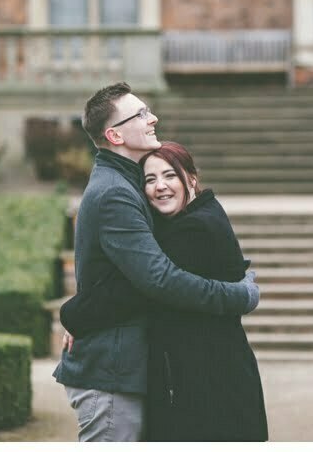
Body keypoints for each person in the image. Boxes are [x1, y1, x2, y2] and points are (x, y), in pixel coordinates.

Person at [52, 82, 259, 442]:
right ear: (114, 134)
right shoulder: (116, 191)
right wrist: (240, 296)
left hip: (124, 367)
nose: (153, 118)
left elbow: (132, 276)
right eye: (142, 114)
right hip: (110, 373)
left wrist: (79, 313)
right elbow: (158, 279)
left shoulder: (127, 183)